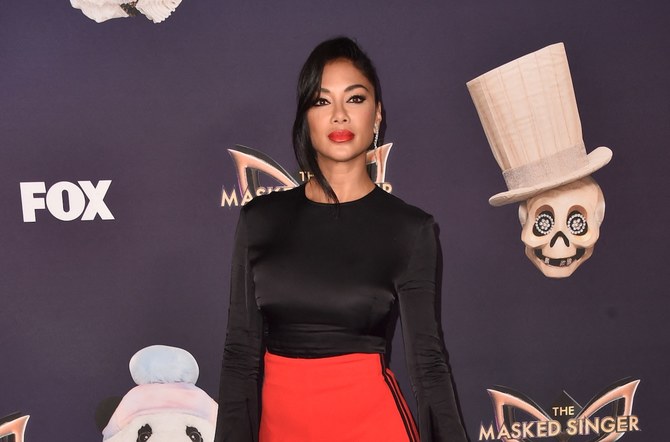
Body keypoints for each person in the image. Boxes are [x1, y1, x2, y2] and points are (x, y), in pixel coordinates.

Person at [214, 36, 467, 442]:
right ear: (305, 118)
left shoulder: (410, 228)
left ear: (377, 114)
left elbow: (428, 365)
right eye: (321, 101)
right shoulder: (259, 220)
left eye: (355, 98)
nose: (339, 116)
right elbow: (240, 357)